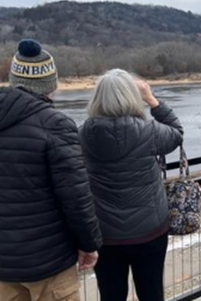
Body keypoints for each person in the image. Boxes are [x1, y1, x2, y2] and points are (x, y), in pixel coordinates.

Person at [0, 39, 101, 301]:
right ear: (51, 84)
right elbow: (76, 198)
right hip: (49, 261)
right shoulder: (55, 124)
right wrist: (89, 244)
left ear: (13, 78)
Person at [79, 69, 183, 301]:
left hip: (105, 234)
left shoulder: (84, 134)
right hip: (150, 230)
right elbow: (177, 133)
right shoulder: (149, 131)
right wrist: (152, 99)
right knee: (151, 292)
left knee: (111, 295)